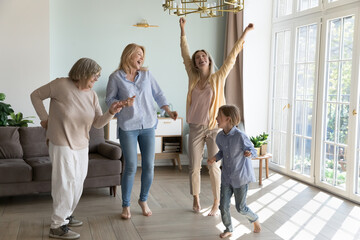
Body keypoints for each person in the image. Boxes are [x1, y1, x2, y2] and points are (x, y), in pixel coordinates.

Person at [30, 57, 132, 240]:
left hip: (81, 143)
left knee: (77, 182)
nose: (96, 80)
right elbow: (35, 95)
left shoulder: (91, 95)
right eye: (94, 76)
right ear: (83, 72)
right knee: (65, 183)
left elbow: (98, 124)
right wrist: (45, 119)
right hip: (61, 141)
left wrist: (111, 112)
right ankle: (57, 225)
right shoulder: (61, 85)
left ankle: (66, 215)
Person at [179, 17, 254, 215]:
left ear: (209, 60)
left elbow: (232, 56)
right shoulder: (193, 78)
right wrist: (183, 31)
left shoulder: (218, 77)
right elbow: (185, 54)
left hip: (214, 129)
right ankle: (195, 198)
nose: (200, 59)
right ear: (195, 64)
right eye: (197, 58)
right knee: (194, 166)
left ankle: (215, 202)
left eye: (204, 56)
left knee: (213, 167)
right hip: (195, 127)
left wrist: (245, 32)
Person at [106, 43, 178, 220]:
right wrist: (123, 103)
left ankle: (143, 200)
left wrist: (168, 111)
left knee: (149, 166)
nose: (141, 57)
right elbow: (109, 100)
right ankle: (126, 204)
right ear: (129, 55)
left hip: (148, 125)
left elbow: (159, 94)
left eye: (142, 55)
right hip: (128, 127)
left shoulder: (146, 75)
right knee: (130, 166)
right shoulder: (115, 77)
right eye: (138, 54)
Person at [208, 105, 261, 238]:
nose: (216, 118)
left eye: (219, 116)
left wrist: (250, 153)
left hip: (241, 178)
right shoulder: (219, 136)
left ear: (228, 119)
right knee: (223, 206)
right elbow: (222, 152)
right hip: (226, 177)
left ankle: (254, 219)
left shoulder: (240, 136)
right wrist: (215, 158)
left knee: (241, 208)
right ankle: (228, 228)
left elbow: (253, 150)